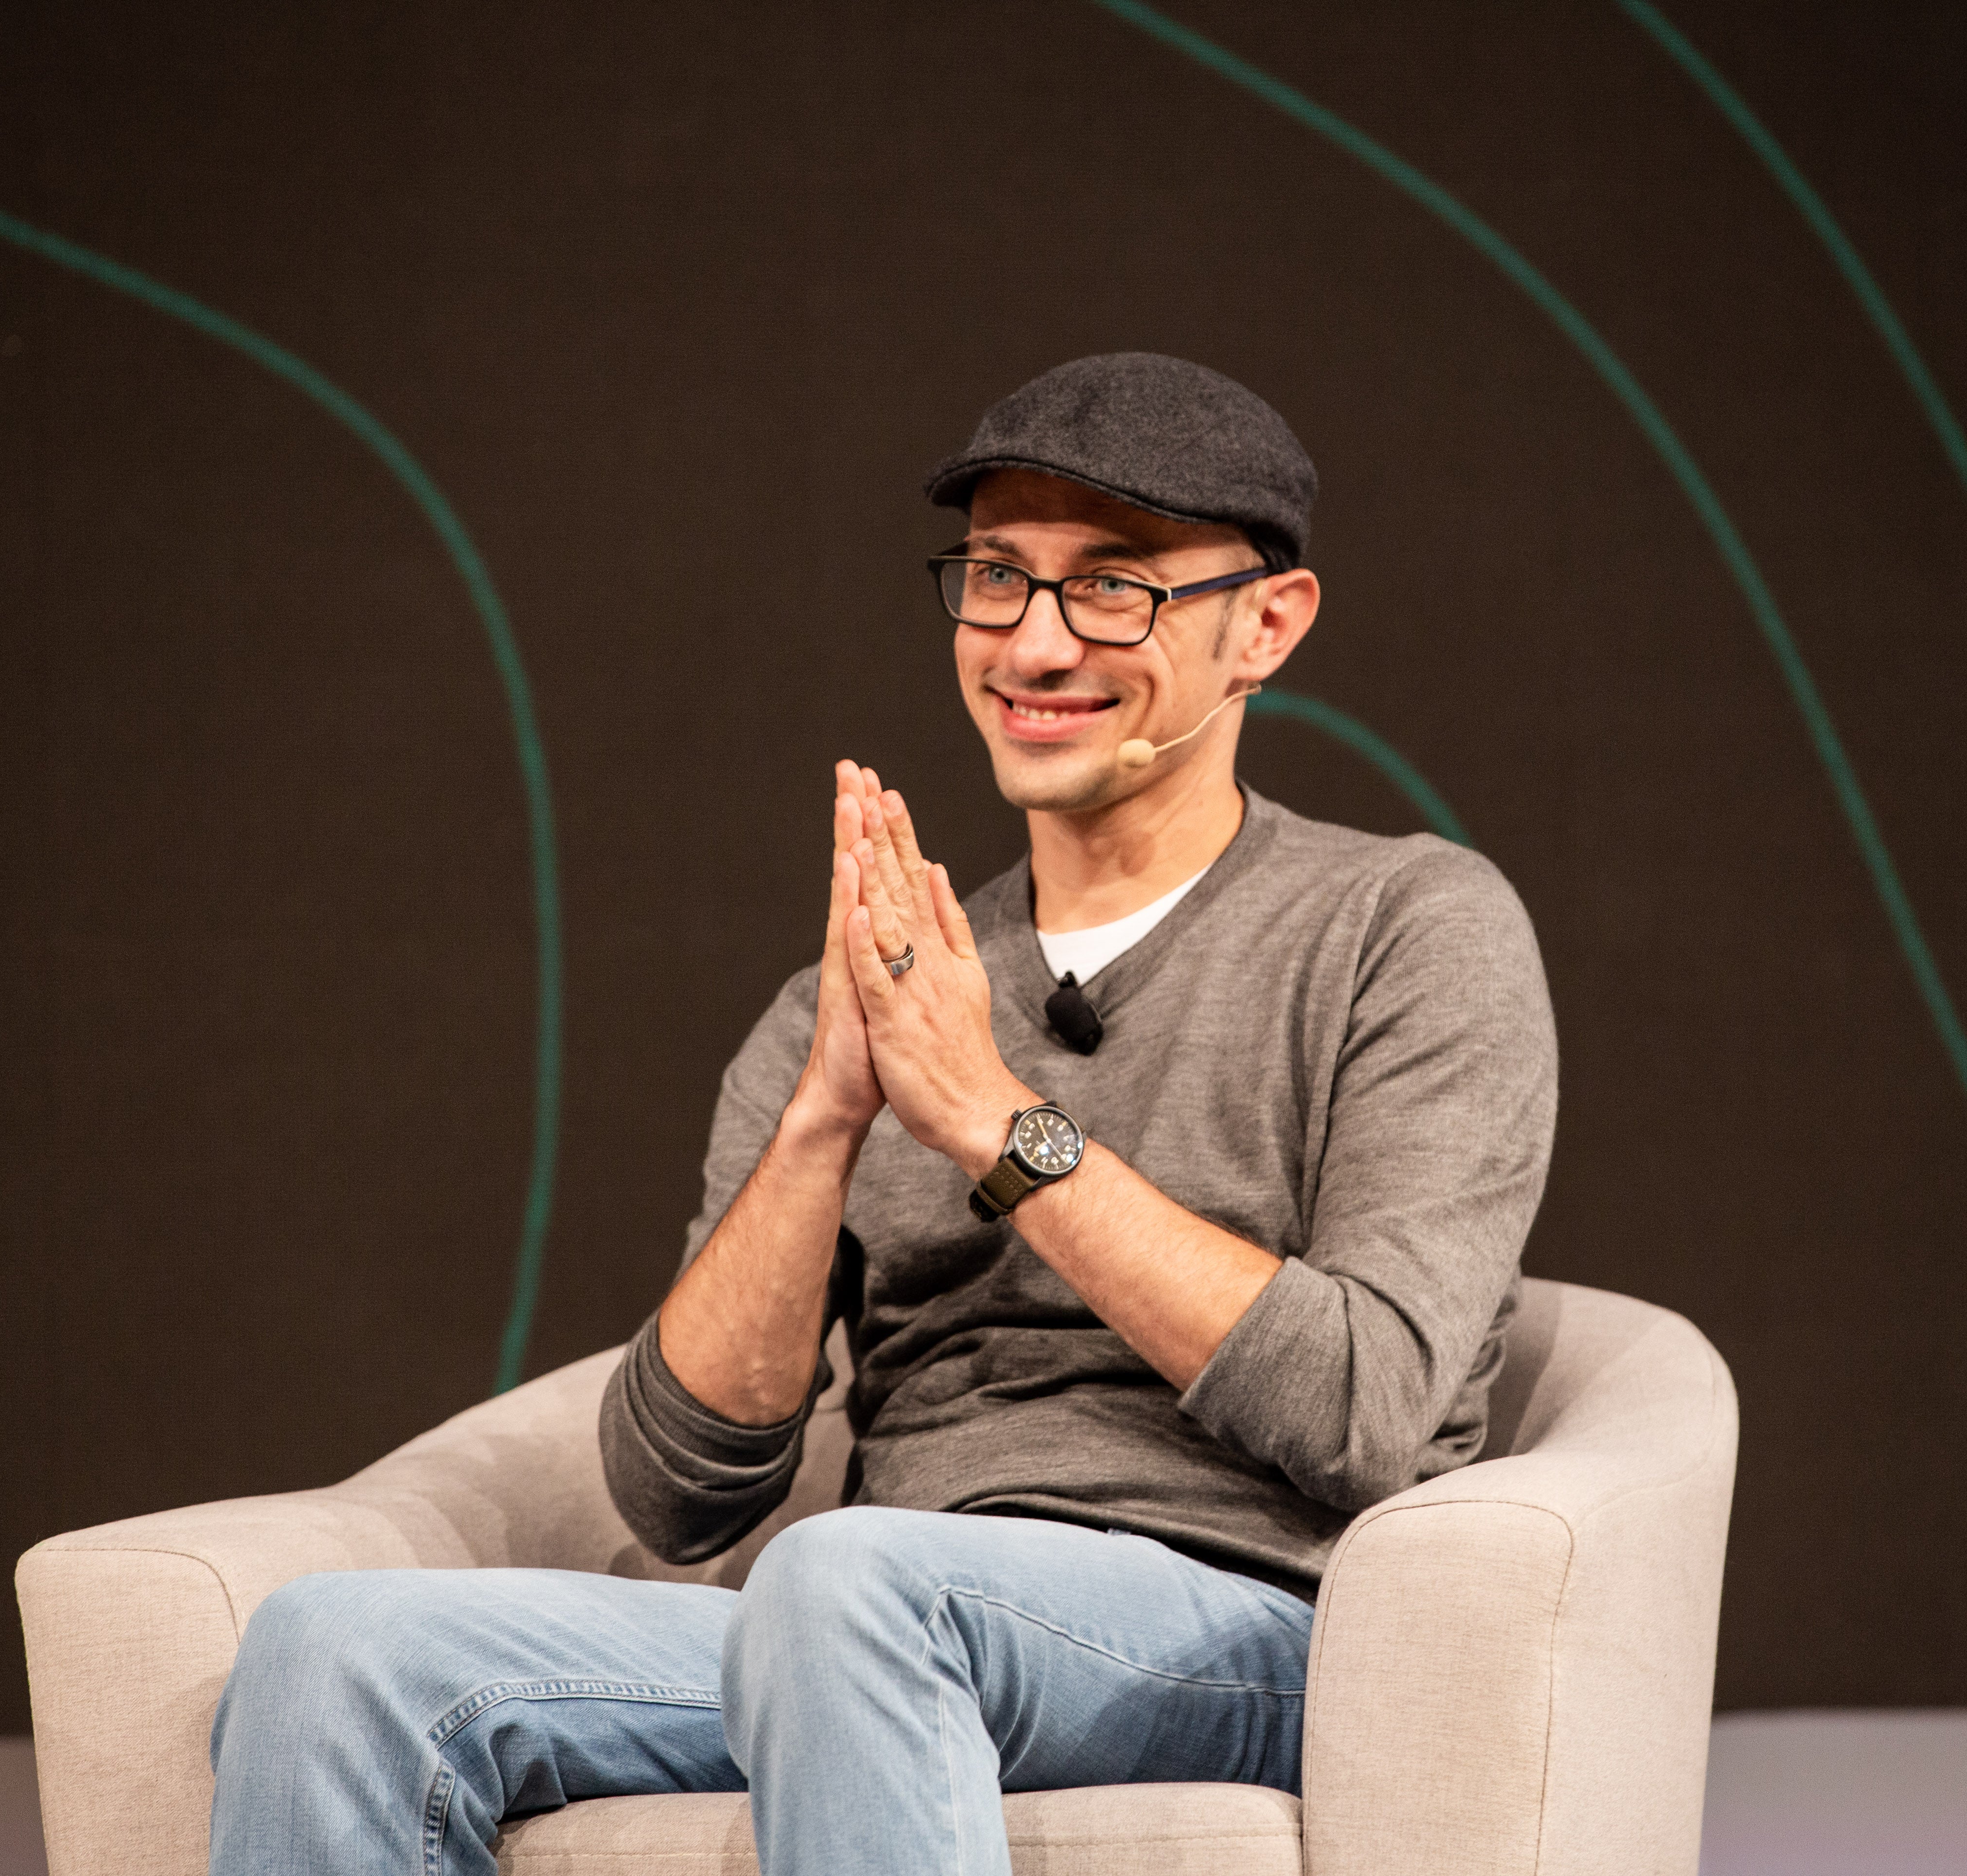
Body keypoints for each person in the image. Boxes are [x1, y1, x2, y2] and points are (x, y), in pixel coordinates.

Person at [209, 353, 1558, 1876]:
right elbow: (679, 1494)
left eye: (1113, 588)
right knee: (335, 1650)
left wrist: (998, 1122)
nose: (1037, 645)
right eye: (998, 579)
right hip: (853, 1629)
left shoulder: (1409, 925)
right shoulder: (869, 995)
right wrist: (827, 1119)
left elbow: (1370, 1406)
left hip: (1236, 1617)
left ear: (1269, 624)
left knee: (850, 1584)